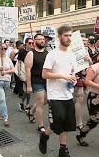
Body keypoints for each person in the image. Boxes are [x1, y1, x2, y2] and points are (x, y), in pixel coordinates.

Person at [39, 25, 77, 157]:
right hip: (55, 94)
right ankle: (44, 136)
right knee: (57, 121)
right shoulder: (52, 54)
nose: (68, 38)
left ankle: (63, 149)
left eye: (70, 35)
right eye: (66, 35)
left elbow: (72, 73)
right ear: (59, 36)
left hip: (67, 94)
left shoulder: (72, 54)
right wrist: (62, 76)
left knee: (67, 124)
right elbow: (44, 74)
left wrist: (73, 79)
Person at [25, 34, 48, 131]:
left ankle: (31, 111)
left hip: (47, 80)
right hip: (36, 81)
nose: (42, 41)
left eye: (43, 39)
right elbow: (28, 70)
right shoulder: (31, 53)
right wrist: (29, 86)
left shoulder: (47, 53)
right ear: (35, 41)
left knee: (45, 101)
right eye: (40, 39)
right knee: (40, 102)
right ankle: (41, 126)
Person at [17, 38, 35, 112]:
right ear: (26, 43)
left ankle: (24, 103)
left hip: (32, 72)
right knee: (28, 88)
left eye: (32, 43)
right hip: (24, 71)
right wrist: (19, 72)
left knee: (28, 90)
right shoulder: (22, 51)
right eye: (29, 43)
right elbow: (19, 62)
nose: (31, 44)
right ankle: (26, 104)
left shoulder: (33, 51)